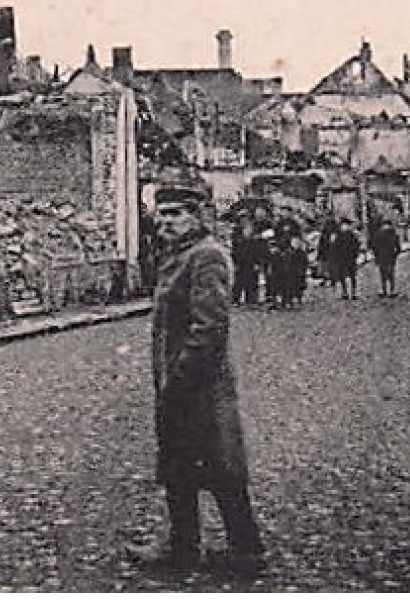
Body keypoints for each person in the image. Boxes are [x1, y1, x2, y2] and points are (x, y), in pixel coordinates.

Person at [128, 177, 266, 578]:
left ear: (196, 216)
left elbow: (209, 327)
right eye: (162, 214)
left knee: (220, 469)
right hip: (179, 382)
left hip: (201, 387)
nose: (167, 222)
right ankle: (184, 547)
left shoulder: (206, 256)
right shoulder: (178, 256)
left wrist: (182, 378)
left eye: (177, 214)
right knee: (179, 468)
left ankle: (245, 550)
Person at [327, 219, 362, 300]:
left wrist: (355, 254)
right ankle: (345, 292)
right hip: (341, 259)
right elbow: (333, 248)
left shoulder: (351, 235)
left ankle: (354, 292)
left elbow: (356, 245)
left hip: (350, 258)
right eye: (343, 225)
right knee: (342, 275)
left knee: (352, 275)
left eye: (346, 225)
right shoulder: (337, 235)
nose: (345, 227)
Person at [230, 217, 260, 307]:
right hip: (240, 263)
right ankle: (236, 299)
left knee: (252, 282)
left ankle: (251, 300)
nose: (248, 231)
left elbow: (258, 253)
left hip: (251, 263)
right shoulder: (238, 240)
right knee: (238, 282)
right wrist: (234, 262)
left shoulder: (254, 241)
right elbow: (234, 252)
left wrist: (257, 263)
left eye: (249, 229)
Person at [369, 218, 403, 297]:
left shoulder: (377, 235)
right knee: (391, 274)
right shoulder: (393, 234)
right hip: (390, 256)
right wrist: (395, 254)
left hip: (381, 257)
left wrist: (376, 256)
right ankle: (392, 291)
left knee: (382, 274)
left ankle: (384, 290)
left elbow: (374, 247)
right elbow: (398, 248)